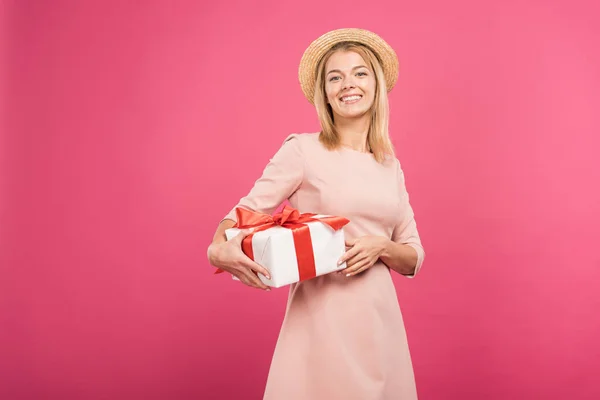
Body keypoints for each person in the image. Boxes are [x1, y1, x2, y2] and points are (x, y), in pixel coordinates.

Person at [207, 28, 426, 400]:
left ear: (376, 85)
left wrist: (380, 246)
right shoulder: (303, 150)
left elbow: (413, 256)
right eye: (335, 77)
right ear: (324, 92)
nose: (348, 84)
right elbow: (243, 212)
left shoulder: (390, 166)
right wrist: (217, 248)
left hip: (379, 322)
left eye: (360, 73)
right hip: (321, 322)